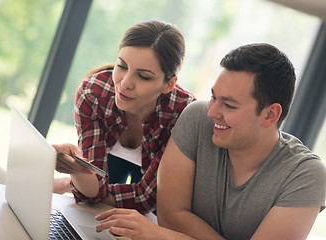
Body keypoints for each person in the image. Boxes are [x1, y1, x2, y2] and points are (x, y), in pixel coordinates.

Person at [94, 43, 326, 240]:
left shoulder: (305, 175)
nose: (212, 112)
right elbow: (170, 216)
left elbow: (165, 230)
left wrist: (161, 235)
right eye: (213, 96)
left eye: (229, 105)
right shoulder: (196, 117)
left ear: (270, 115)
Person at [53, 20, 196, 213]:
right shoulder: (93, 93)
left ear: (169, 84)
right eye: (121, 66)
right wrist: (76, 169)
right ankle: (67, 181)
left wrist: (92, 191)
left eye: (144, 76)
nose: (125, 83)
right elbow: (92, 190)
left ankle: (65, 184)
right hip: (111, 163)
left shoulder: (183, 114)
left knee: (158, 215)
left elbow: (146, 199)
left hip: (153, 184)